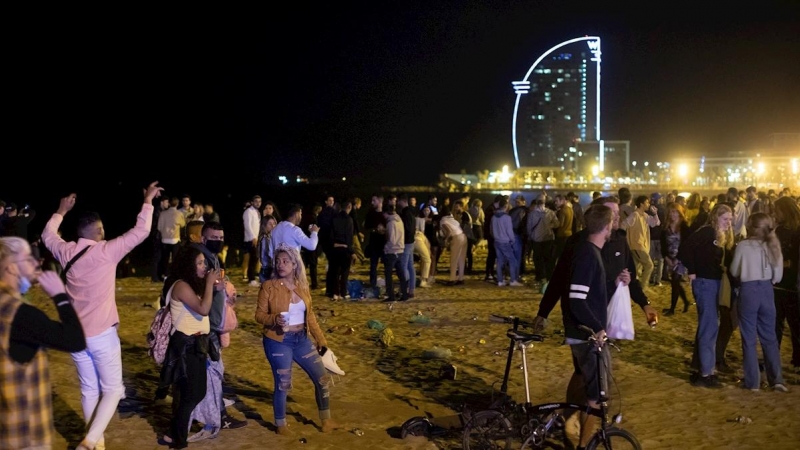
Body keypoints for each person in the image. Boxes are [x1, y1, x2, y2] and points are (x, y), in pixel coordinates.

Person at [41, 181, 162, 450]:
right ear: (99, 230)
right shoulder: (106, 252)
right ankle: (90, 441)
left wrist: (61, 210)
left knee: (88, 389)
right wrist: (147, 201)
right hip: (101, 333)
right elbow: (141, 230)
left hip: (73, 334)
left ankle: (98, 442)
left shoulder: (66, 251)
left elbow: (48, 235)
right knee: (114, 390)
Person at [1, 237, 86, 450]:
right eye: (28, 259)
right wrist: (60, 296)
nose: (36, 263)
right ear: (11, 268)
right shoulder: (21, 315)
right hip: (24, 434)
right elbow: (75, 340)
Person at [254, 244, 338, 435]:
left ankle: (326, 420)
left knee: (322, 379)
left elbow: (310, 317)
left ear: (294, 264)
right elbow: (259, 316)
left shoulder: (302, 287)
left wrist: (321, 340)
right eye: (278, 261)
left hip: (301, 340)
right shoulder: (268, 287)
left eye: (285, 261)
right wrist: (274, 319)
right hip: (277, 340)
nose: (280, 264)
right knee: (283, 383)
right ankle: (280, 424)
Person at [156, 246, 220, 449]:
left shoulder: (191, 285)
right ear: (188, 265)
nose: (204, 267)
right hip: (186, 346)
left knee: (188, 393)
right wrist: (209, 284)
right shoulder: (181, 286)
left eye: (204, 263)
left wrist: (212, 287)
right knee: (195, 392)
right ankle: (178, 441)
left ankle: (171, 435)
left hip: (195, 344)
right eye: (199, 263)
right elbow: (203, 309)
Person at [563, 204, 614, 448]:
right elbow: (577, 298)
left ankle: (568, 422)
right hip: (586, 337)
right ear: (608, 226)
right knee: (597, 397)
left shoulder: (588, 251)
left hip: (583, 334)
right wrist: (597, 328)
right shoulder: (588, 254)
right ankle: (583, 446)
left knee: (586, 383)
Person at [729, 213, 788, 392]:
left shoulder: (744, 246)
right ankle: (776, 379)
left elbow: (733, 270)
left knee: (748, 338)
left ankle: (753, 382)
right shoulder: (774, 245)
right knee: (769, 337)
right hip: (767, 290)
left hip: (748, 290)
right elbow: (778, 277)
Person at [679, 203, 734, 388]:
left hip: (714, 283)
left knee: (710, 326)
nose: (729, 222)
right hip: (705, 283)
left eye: (730, 219)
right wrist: (692, 272)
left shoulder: (721, 235)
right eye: (725, 219)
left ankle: (704, 369)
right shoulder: (707, 232)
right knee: (709, 327)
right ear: (715, 217)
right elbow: (684, 249)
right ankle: (706, 374)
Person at [661, 202, 692, 315]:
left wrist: (678, 259)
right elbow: (663, 244)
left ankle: (672, 309)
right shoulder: (666, 227)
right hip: (670, 257)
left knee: (675, 281)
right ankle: (686, 301)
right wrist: (666, 257)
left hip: (681, 258)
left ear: (679, 213)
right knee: (676, 282)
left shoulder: (684, 227)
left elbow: (687, 244)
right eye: (670, 212)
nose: (672, 215)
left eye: (674, 212)